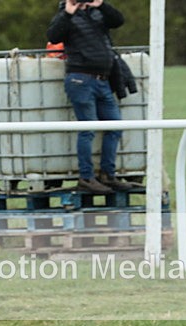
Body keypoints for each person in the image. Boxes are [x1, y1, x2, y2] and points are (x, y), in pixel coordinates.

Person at [47, 0, 132, 193]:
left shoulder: (98, 13)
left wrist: (101, 4)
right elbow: (53, 36)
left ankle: (107, 175)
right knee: (87, 129)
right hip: (80, 80)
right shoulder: (65, 16)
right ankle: (86, 177)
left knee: (116, 126)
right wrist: (68, 13)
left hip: (102, 80)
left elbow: (118, 21)